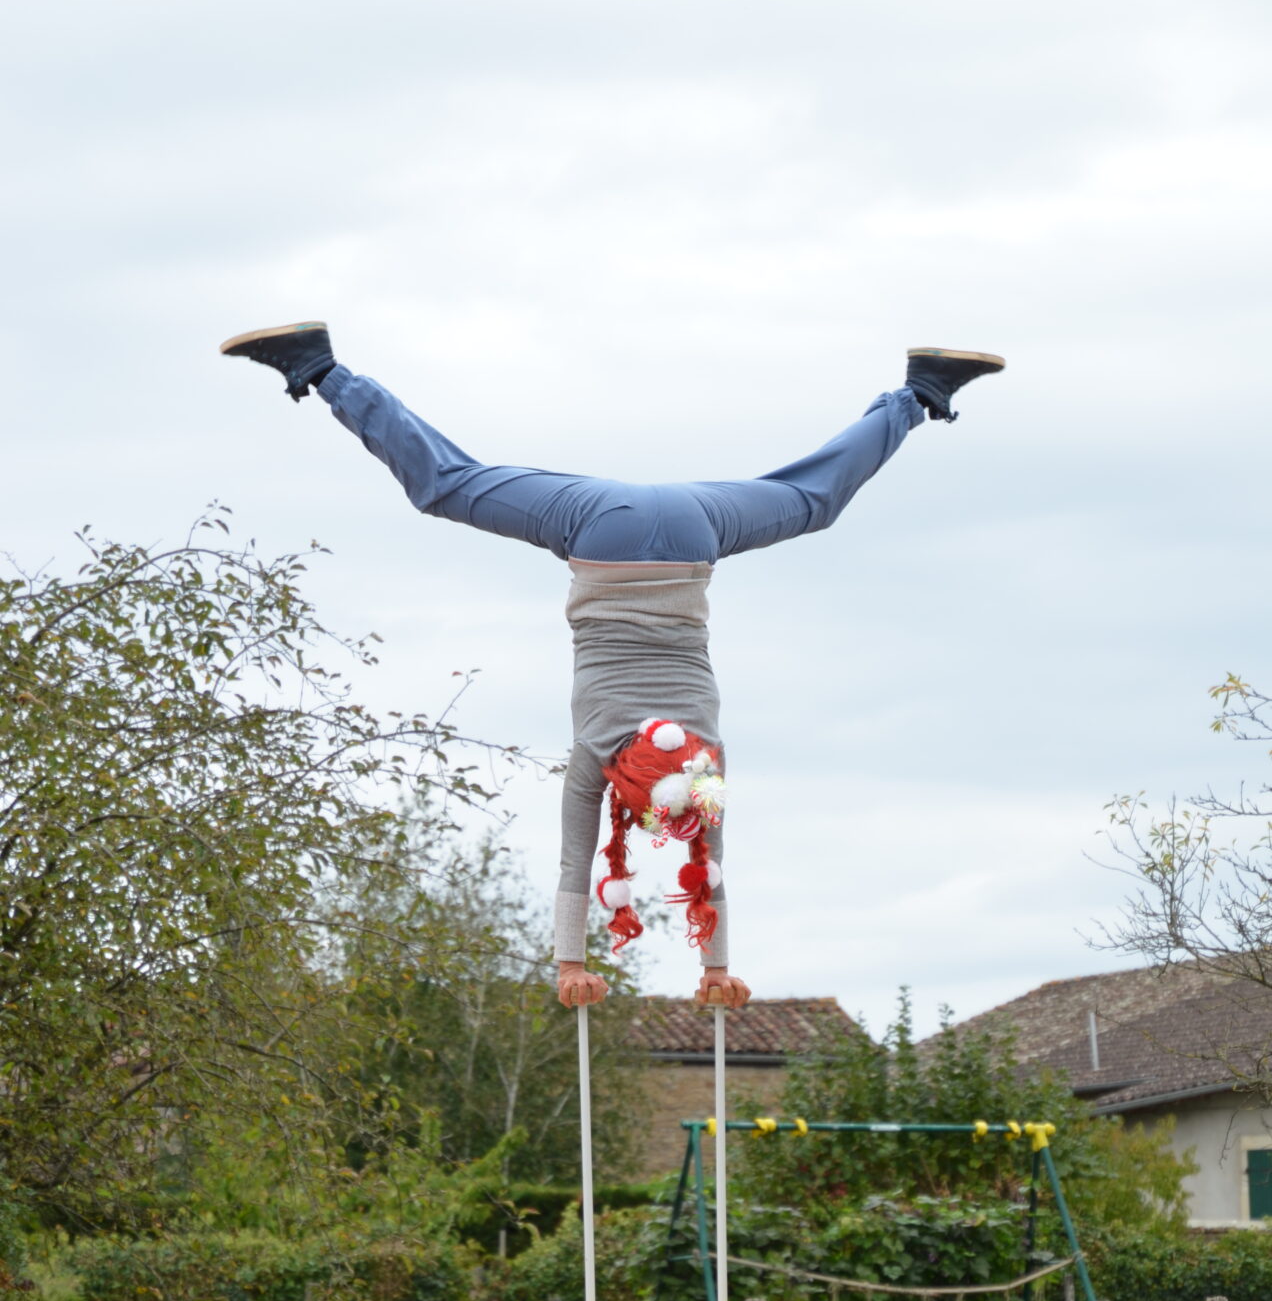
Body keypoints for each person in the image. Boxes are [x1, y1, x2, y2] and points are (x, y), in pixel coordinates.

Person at [221, 323, 1003, 1008]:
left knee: (811, 501)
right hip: (603, 531)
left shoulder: (707, 761)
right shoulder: (596, 756)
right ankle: (319, 368)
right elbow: (578, 867)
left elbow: (713, 867)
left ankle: (920, 391)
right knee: (446, 486)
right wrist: (572, 966)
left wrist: (718, 968)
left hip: (696, 528)